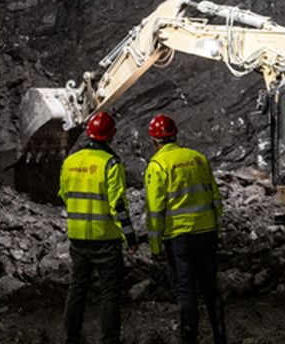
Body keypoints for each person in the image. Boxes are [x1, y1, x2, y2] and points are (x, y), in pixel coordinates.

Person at [144, 114, 228, 344]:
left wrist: (155, 245)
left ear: (154, 140)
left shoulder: (158, 166)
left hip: (179, 238)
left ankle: (189, 338)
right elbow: (215, 198)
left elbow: (154, 210)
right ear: (175, 135)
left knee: (186, 290)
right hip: (206, 233)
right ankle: (220, 337)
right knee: (211, 288)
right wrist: (217, 230)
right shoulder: (198, 158)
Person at [59, 111, 138, 344]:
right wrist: (130, 238)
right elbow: (118, 206)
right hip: (105, 239)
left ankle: (72, 337)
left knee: (77, 288)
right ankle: (110, 339)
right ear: (111, 136)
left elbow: (64, 195)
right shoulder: (111, 164)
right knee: (110, 292)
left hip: (77, 237)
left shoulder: (70, 162)